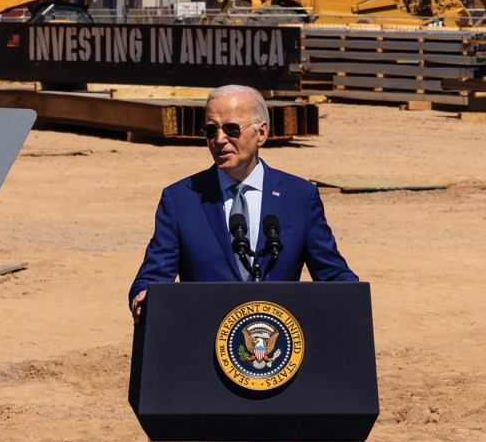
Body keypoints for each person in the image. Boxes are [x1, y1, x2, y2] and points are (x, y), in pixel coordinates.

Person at [129, 84, 357, 321]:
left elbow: (331, 272)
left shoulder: (300, 196)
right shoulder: (180, 199)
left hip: (279, 345)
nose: (219, 139)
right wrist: (144, 292)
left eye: (231, 129)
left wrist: (352, 294)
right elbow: (155, 270)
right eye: (210, 130)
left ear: (261, 133)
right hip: (203, 339)